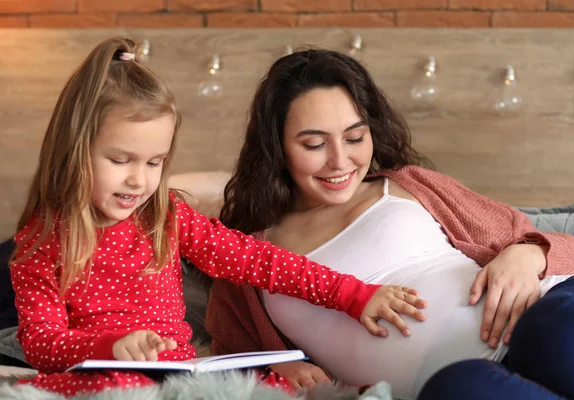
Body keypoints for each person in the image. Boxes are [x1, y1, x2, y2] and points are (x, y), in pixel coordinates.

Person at [9, 38, 428, 397]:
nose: (139, 180)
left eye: (155, 162)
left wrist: (354, 296)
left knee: (286, 389)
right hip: (97, 377)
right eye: (120, 160)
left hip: (182, 377)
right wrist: (113, 347)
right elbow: (42, 345)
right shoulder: (41, 240)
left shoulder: (166, 216)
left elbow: (262, 261)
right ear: (74, 149)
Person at [200, 49, 574, 399]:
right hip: (461, 382)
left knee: (551, 335)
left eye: (355, 138)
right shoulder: (243, 256)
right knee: (457, 387)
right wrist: (278, 368)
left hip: (551, 312)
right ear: (277, 148)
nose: (340, 162)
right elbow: (228, 360)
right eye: (315, 145)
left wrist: (527, 254)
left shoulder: (409, 185)